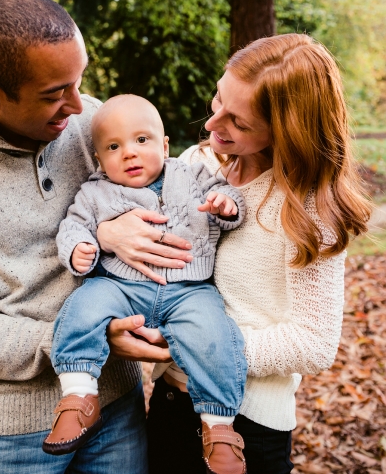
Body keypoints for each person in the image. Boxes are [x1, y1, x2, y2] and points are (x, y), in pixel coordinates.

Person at [0, 0, 185, 474]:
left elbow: (160, 187)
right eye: (54, 94)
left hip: (118, 406)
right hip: (9, 436)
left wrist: (109, 232)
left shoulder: (91, 120)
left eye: (78, 81)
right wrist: (82, 339)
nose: (77, 105)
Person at [96, 34, 371, 474]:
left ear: (287, 130)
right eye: (218, 99)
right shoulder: (199, 162)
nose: (211, 124)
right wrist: (109, 233)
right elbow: (120, 207)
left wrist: (195, 346)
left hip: (248, 421)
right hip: (171, 398)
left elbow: (314, 344)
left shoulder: (309, 211)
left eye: (237, 123)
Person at [43, 95, 248, 474]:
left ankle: (218, 427)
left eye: (142, 140)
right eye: (113, 147)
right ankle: (78, 395)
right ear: (100, 158)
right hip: (121, 286)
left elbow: (230, 195)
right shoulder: (94, 192)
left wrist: (226, 204)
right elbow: (71, 226)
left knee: (214, 333)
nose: (129, 154)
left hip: (190, 289)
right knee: (84, 305)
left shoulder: (193, 174)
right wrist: (79, 248)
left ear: (165, 145)